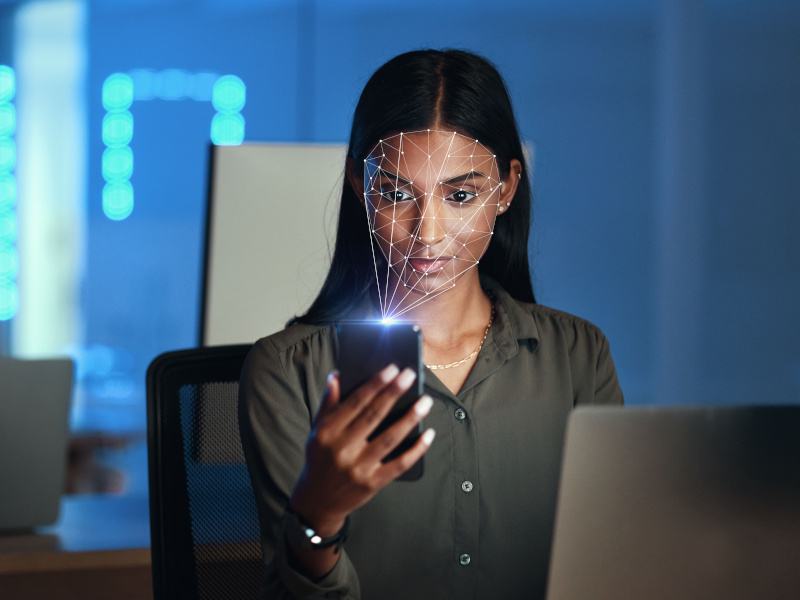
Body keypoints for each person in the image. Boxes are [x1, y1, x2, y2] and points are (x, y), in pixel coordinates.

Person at [238, 48, 624, 600]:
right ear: (358, 185)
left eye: (461, 195)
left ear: (508, 188)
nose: (429, 232)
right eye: (396, 194)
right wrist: (318, 513)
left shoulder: (577, 354)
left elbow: (611, 563)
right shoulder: (289, 370)